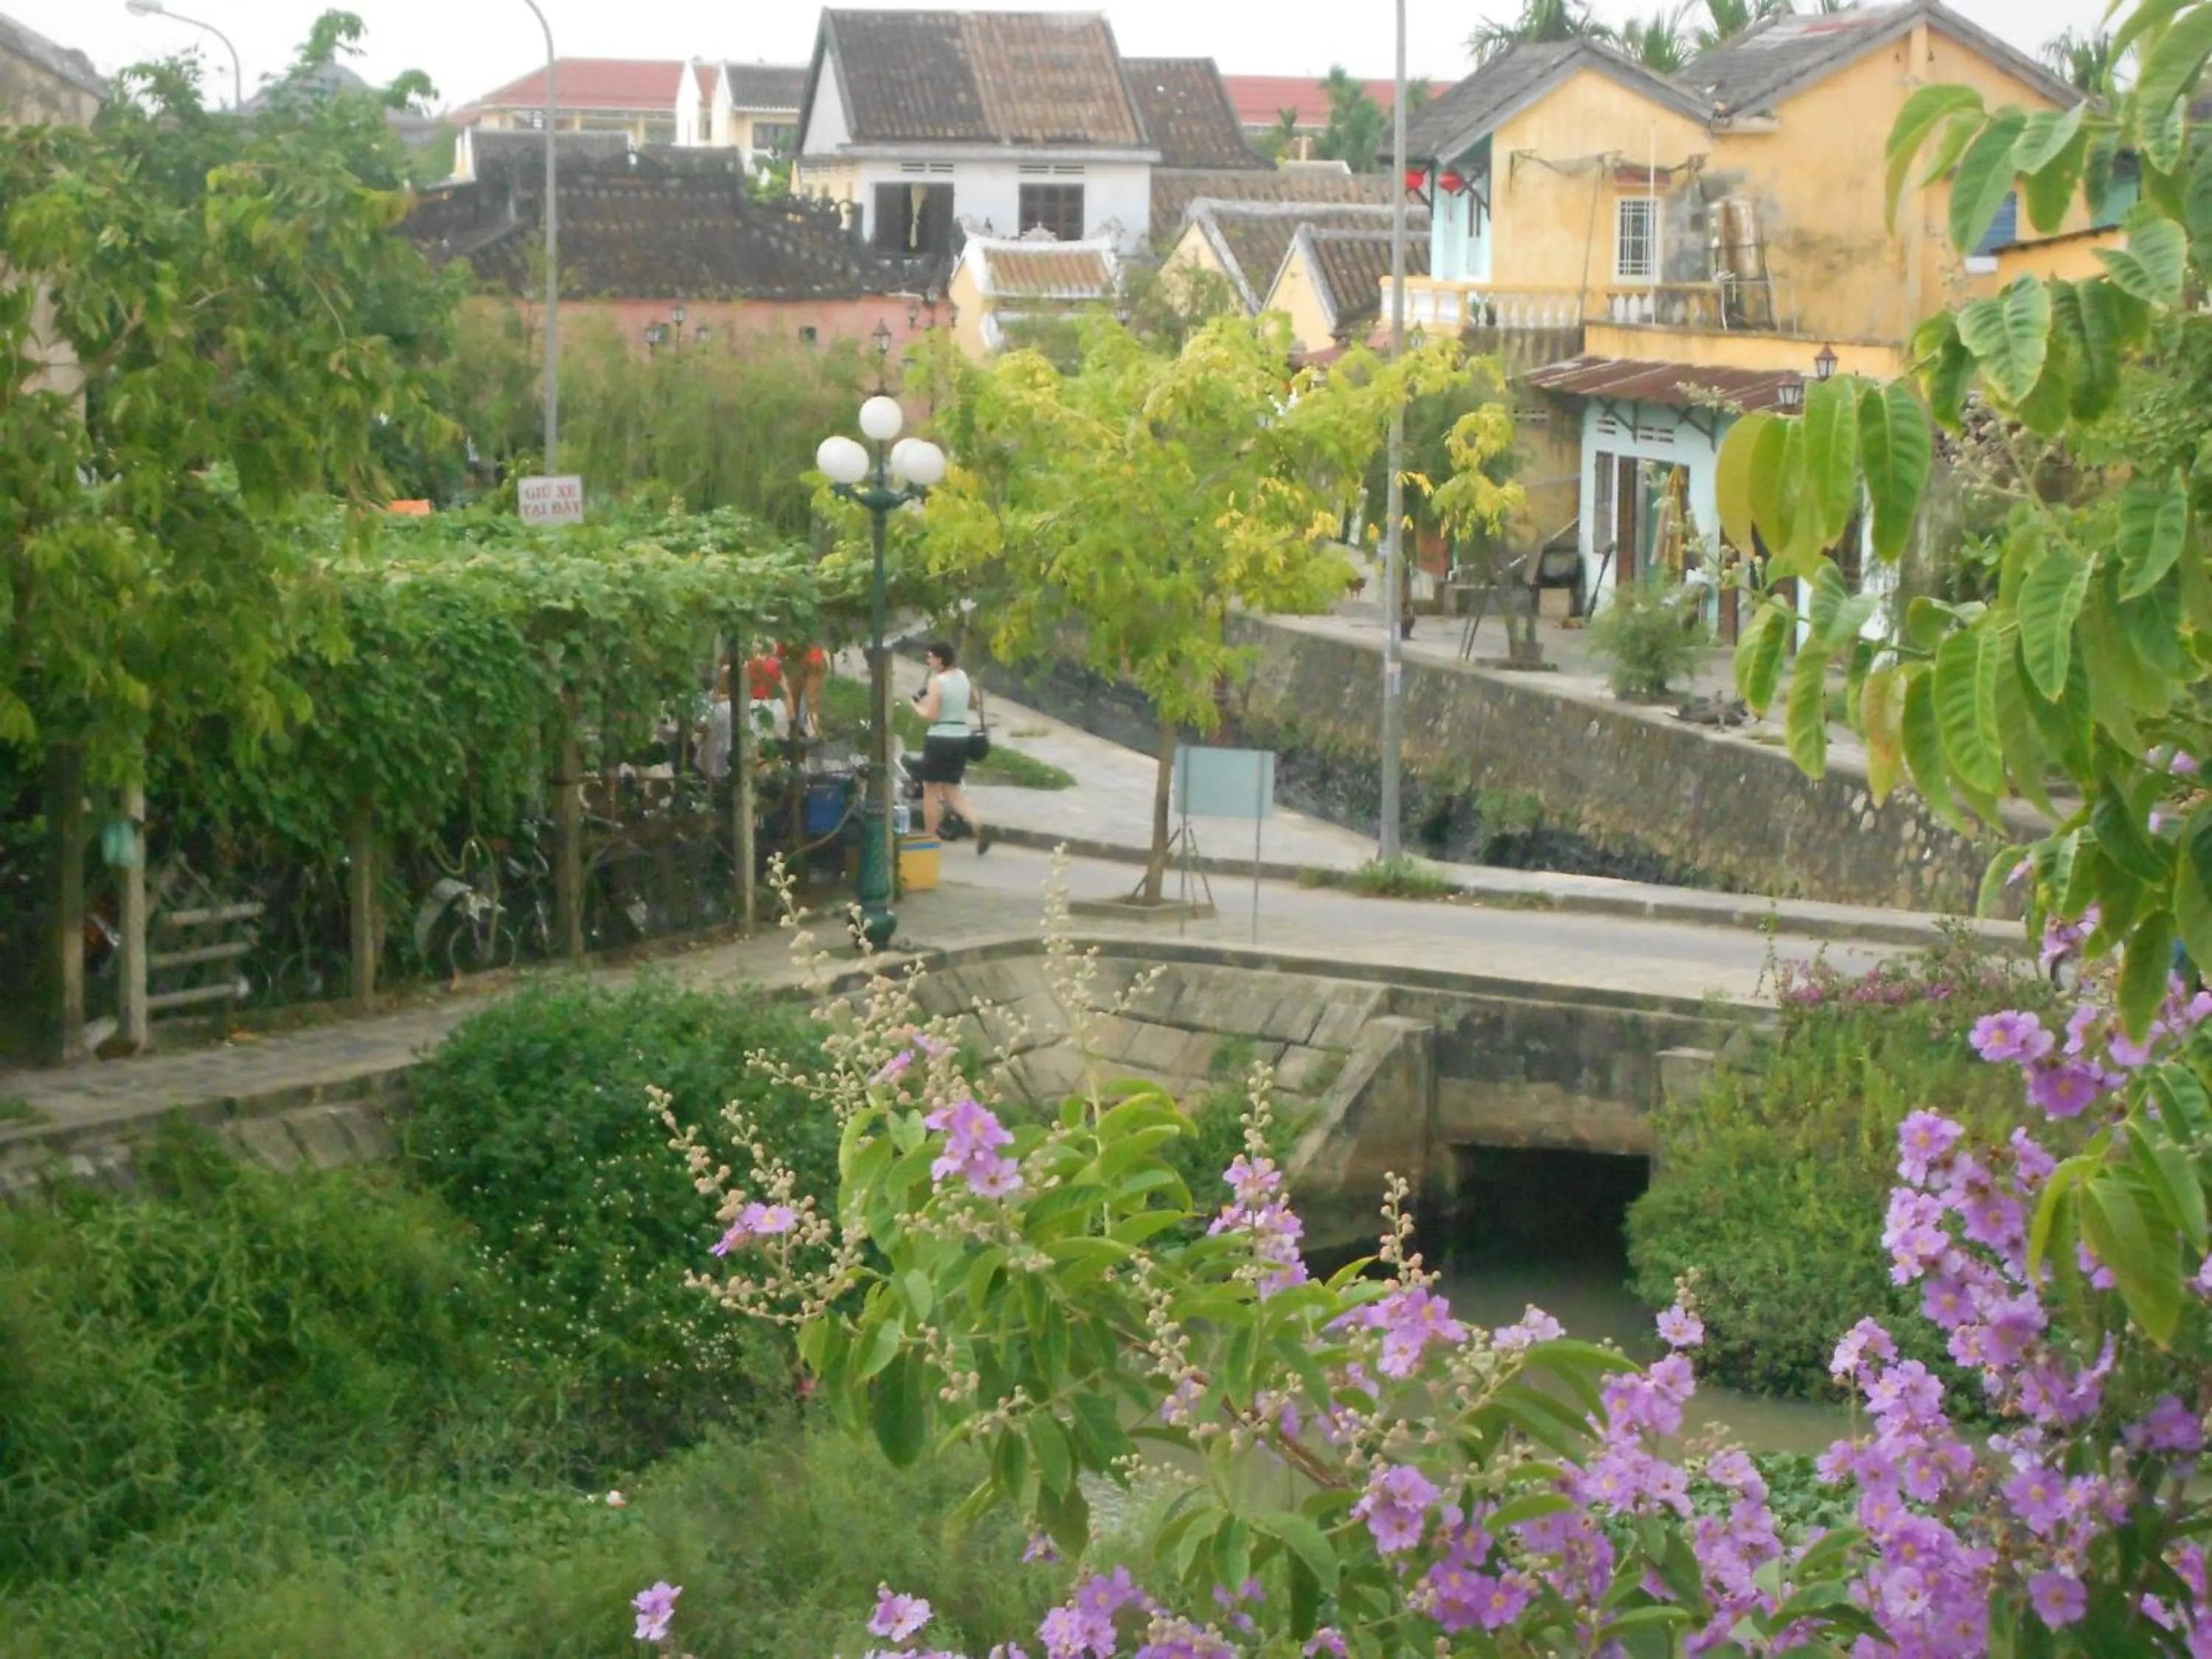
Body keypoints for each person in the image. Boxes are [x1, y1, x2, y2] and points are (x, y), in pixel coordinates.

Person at [909, 641, 993, 854]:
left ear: (939, 659)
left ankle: (930, 838)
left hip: (940, 738)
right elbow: (973, 704)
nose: (928, 661)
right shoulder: (963, 677)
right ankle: (978, 825)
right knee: (952, 790)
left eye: (930, 657)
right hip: (961, 737)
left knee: (930, 789)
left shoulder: (938, 682)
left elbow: (931, 715)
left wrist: (916, 706)